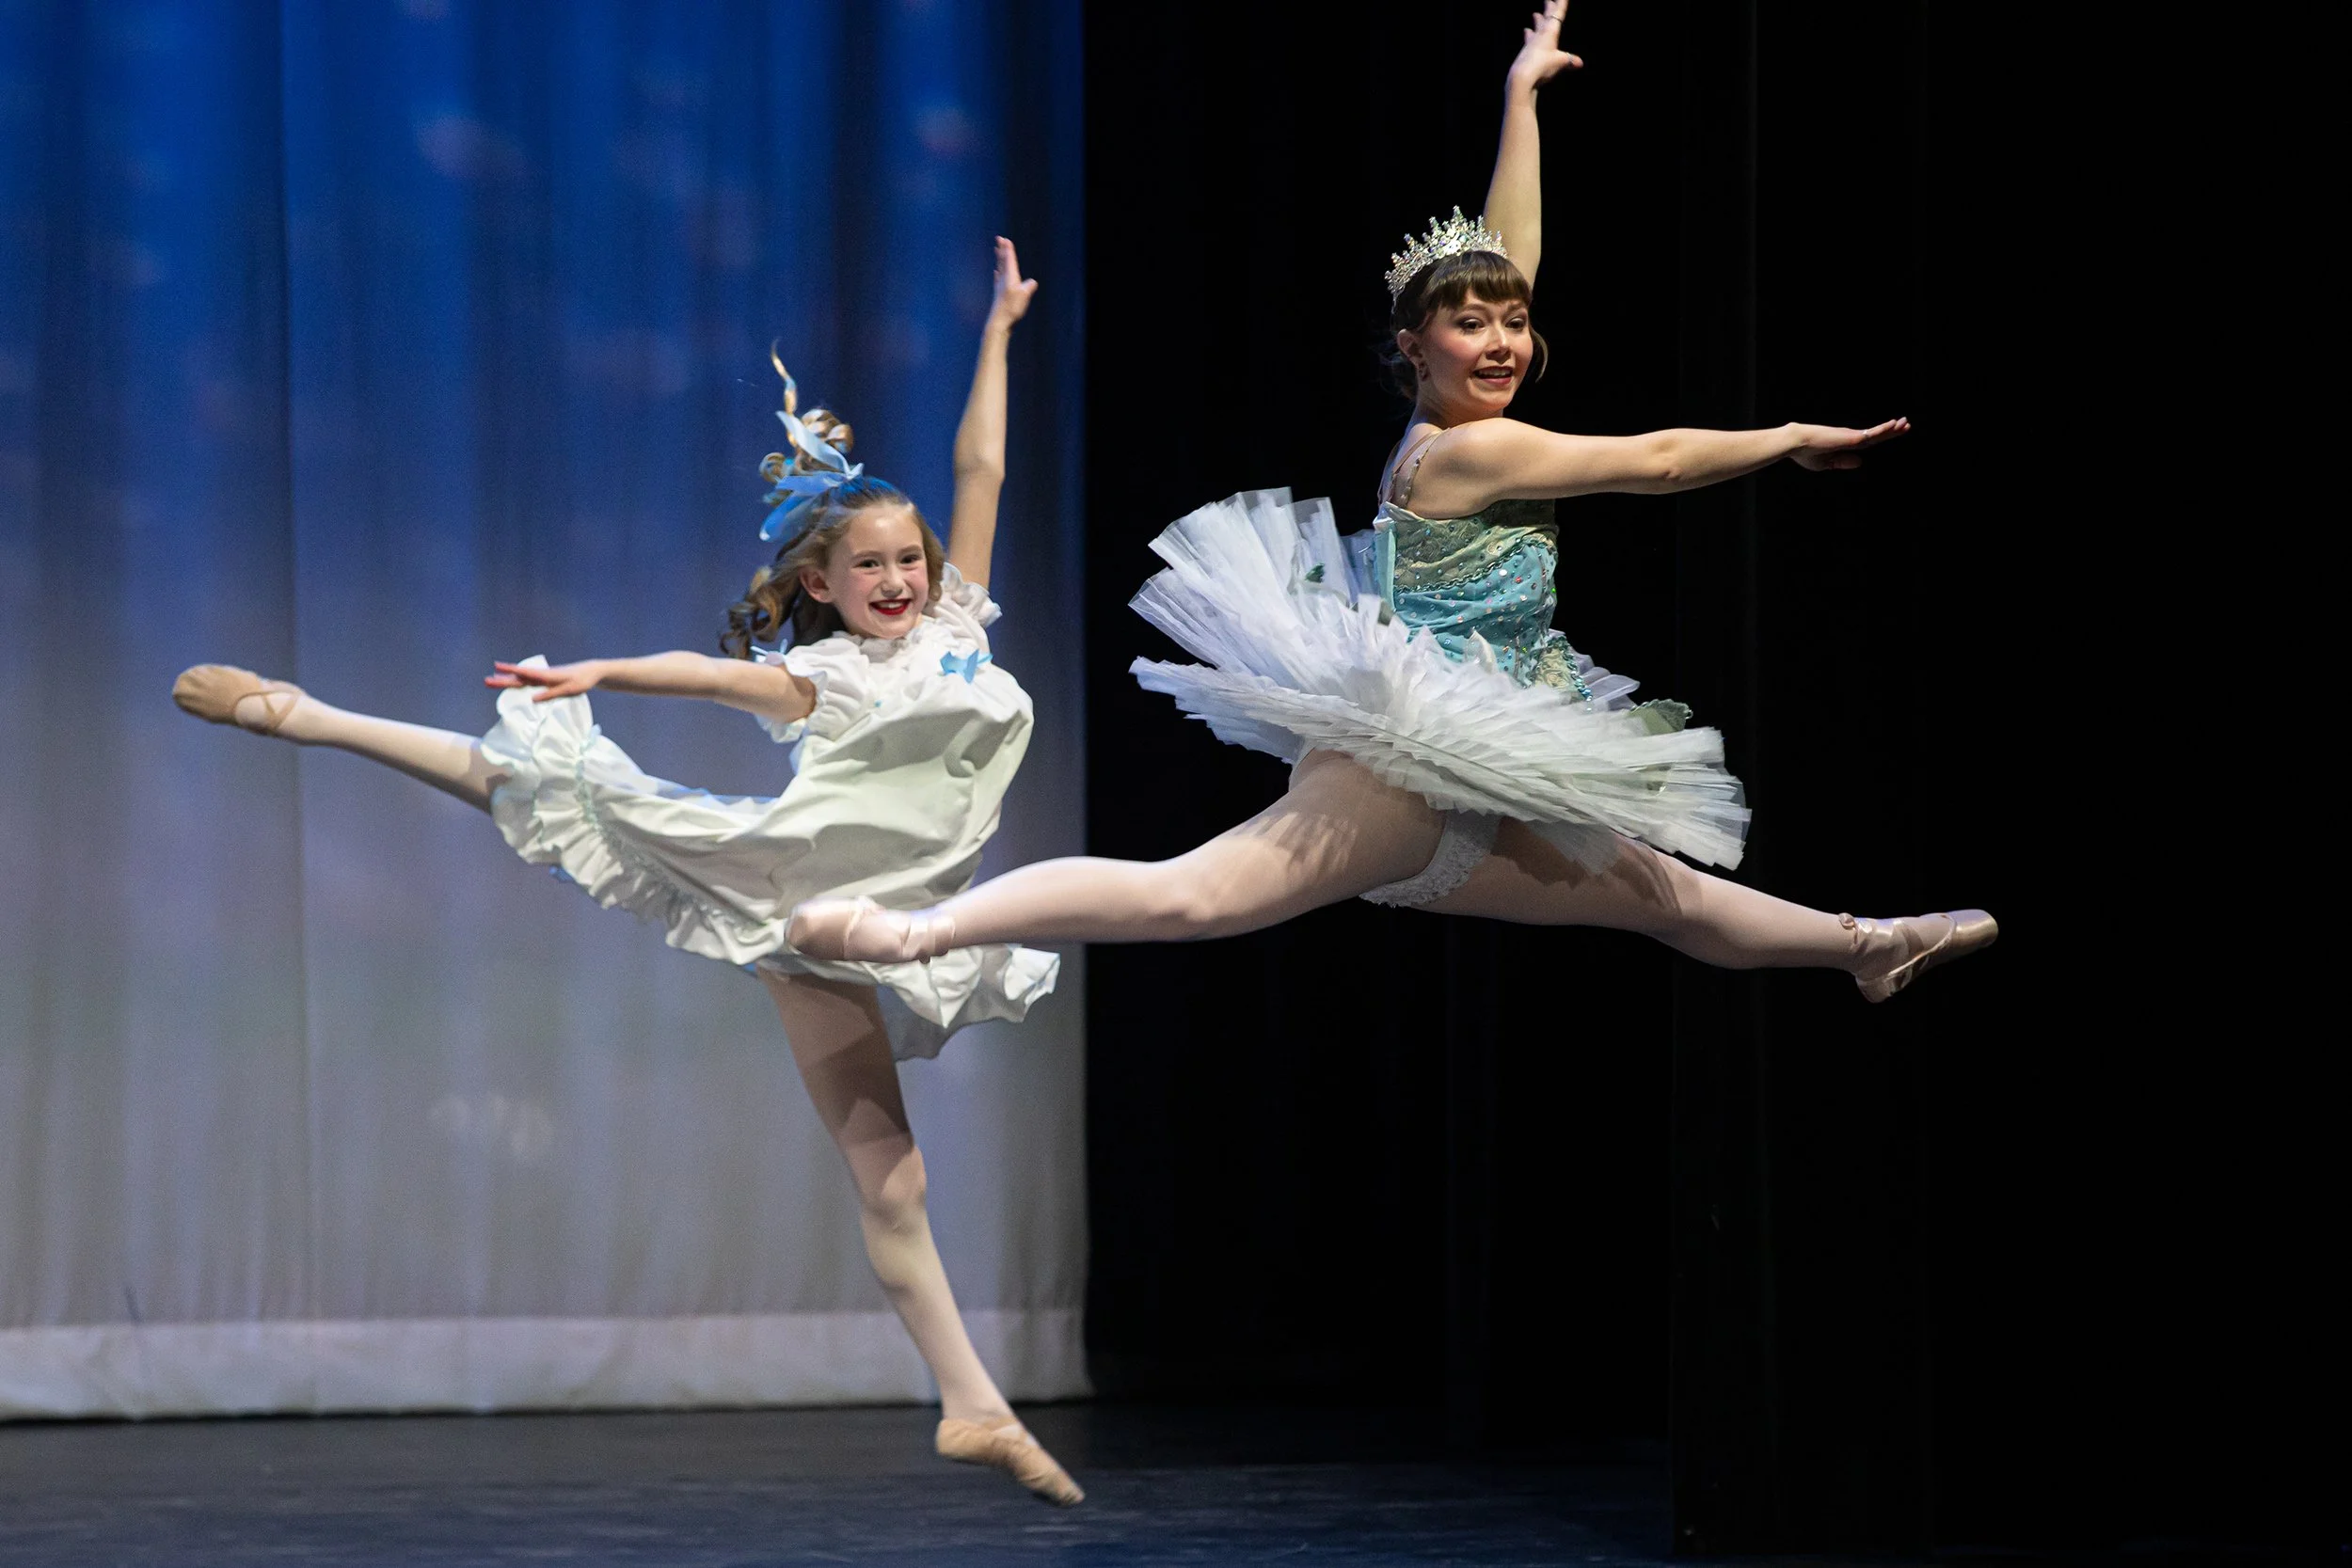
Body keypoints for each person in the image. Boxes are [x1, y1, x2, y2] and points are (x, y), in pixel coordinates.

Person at [787, 7, 1994, 1001]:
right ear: (1412, 345)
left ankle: (1866, 944)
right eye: (1470, 324)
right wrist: (1787, 436)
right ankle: (914, 931)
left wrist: (1521, 97)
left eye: (1514, 321)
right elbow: (1664, 461)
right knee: (1193, 895)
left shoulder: (1469, 413)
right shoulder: (1464, 456)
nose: (1503, 337)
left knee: (1666, 899)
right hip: (1411, 763)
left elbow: (1506, 251)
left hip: (1479, 754)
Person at [170, 239, 1085, 1507]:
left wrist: (998, 330)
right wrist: (603, 672)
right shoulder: (824, 673)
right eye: (867, 566)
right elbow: (710, 674)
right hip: (793, 897)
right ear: (818, 584)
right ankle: (311, 714)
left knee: (898, 1175)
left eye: (906, 560)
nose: (895, 579)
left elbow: (979, 465)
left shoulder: (956, 629)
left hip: (900, 915)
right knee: (563, 793)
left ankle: (971, 1402)